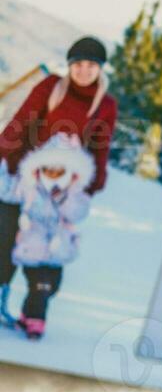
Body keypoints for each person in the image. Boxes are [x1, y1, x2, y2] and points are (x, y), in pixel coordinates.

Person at [0, 37, 117, 324]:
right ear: (70, 65)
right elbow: (22, 120)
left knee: (44, 246)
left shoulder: (105, 105)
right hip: (24, 175)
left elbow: (100, 147)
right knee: (5, 237)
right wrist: (5, 153)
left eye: (92, 65)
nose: (84, 71)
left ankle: (35, 309)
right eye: (78, 64)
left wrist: (92, 184)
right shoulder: (52, 87)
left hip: (58, 190)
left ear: (100, 69)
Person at [6, 135, 95, 339]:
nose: (53, 175)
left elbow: (78, 214)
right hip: (33, 247)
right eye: (49, 170)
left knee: (51, 288)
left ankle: (27, 316)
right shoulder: (30, 188)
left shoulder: (72, 193)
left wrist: (67, 196)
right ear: (40, 169)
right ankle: (36, 323)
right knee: (40, 286)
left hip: (57, 251)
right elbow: (9, 191)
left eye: (59, 171)